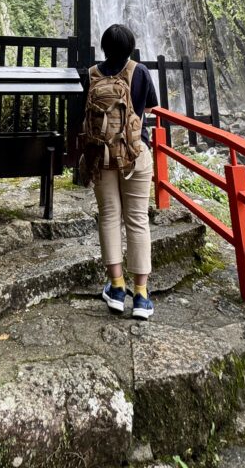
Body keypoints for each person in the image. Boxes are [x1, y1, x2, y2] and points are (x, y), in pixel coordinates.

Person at [83, 23, 158, 320]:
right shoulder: (139, 72)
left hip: (102, 158)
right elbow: (149, 109)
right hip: (134, 155)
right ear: (131, 48)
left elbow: (84, 119)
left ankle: (116, 288)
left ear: (103, 47)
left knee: (110, 217)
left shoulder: (90, 75)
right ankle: (140, 295)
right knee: (137, 220)